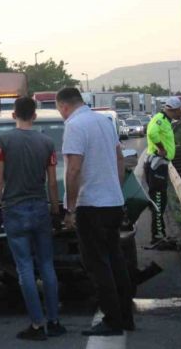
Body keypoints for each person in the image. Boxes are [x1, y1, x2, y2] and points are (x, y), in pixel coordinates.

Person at [56, 87, 133, 336]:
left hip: (91, 205)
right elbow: (119, 159)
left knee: (96, 264)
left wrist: (70, 209)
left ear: (64, 106)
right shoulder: (103, 122)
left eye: (59, 110)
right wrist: (115, 189)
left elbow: (74, 170)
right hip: (112, 202)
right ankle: (125, 316)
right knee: (116, 259)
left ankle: (111, 320)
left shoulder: (74, 126)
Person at [0, 96, 66, 341]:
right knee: (47, 265)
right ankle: (54, 320)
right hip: (40, 208)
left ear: (14, 115)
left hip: (14, 209)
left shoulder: (3, 140)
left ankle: (36, 324)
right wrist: (55, 209)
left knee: (24, 268)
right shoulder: (47, 142)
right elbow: (52, 182)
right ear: (35, 115)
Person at [145, 96, 181, 247]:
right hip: (157, 165)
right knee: (159, 202)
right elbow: (152, 133)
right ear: (173, 110)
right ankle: (158, 237)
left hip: (160, 165)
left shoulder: (166, 121)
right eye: (180, 109)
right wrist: (161, 148)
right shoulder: (160, 119)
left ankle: (160, 234)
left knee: (161, 200)